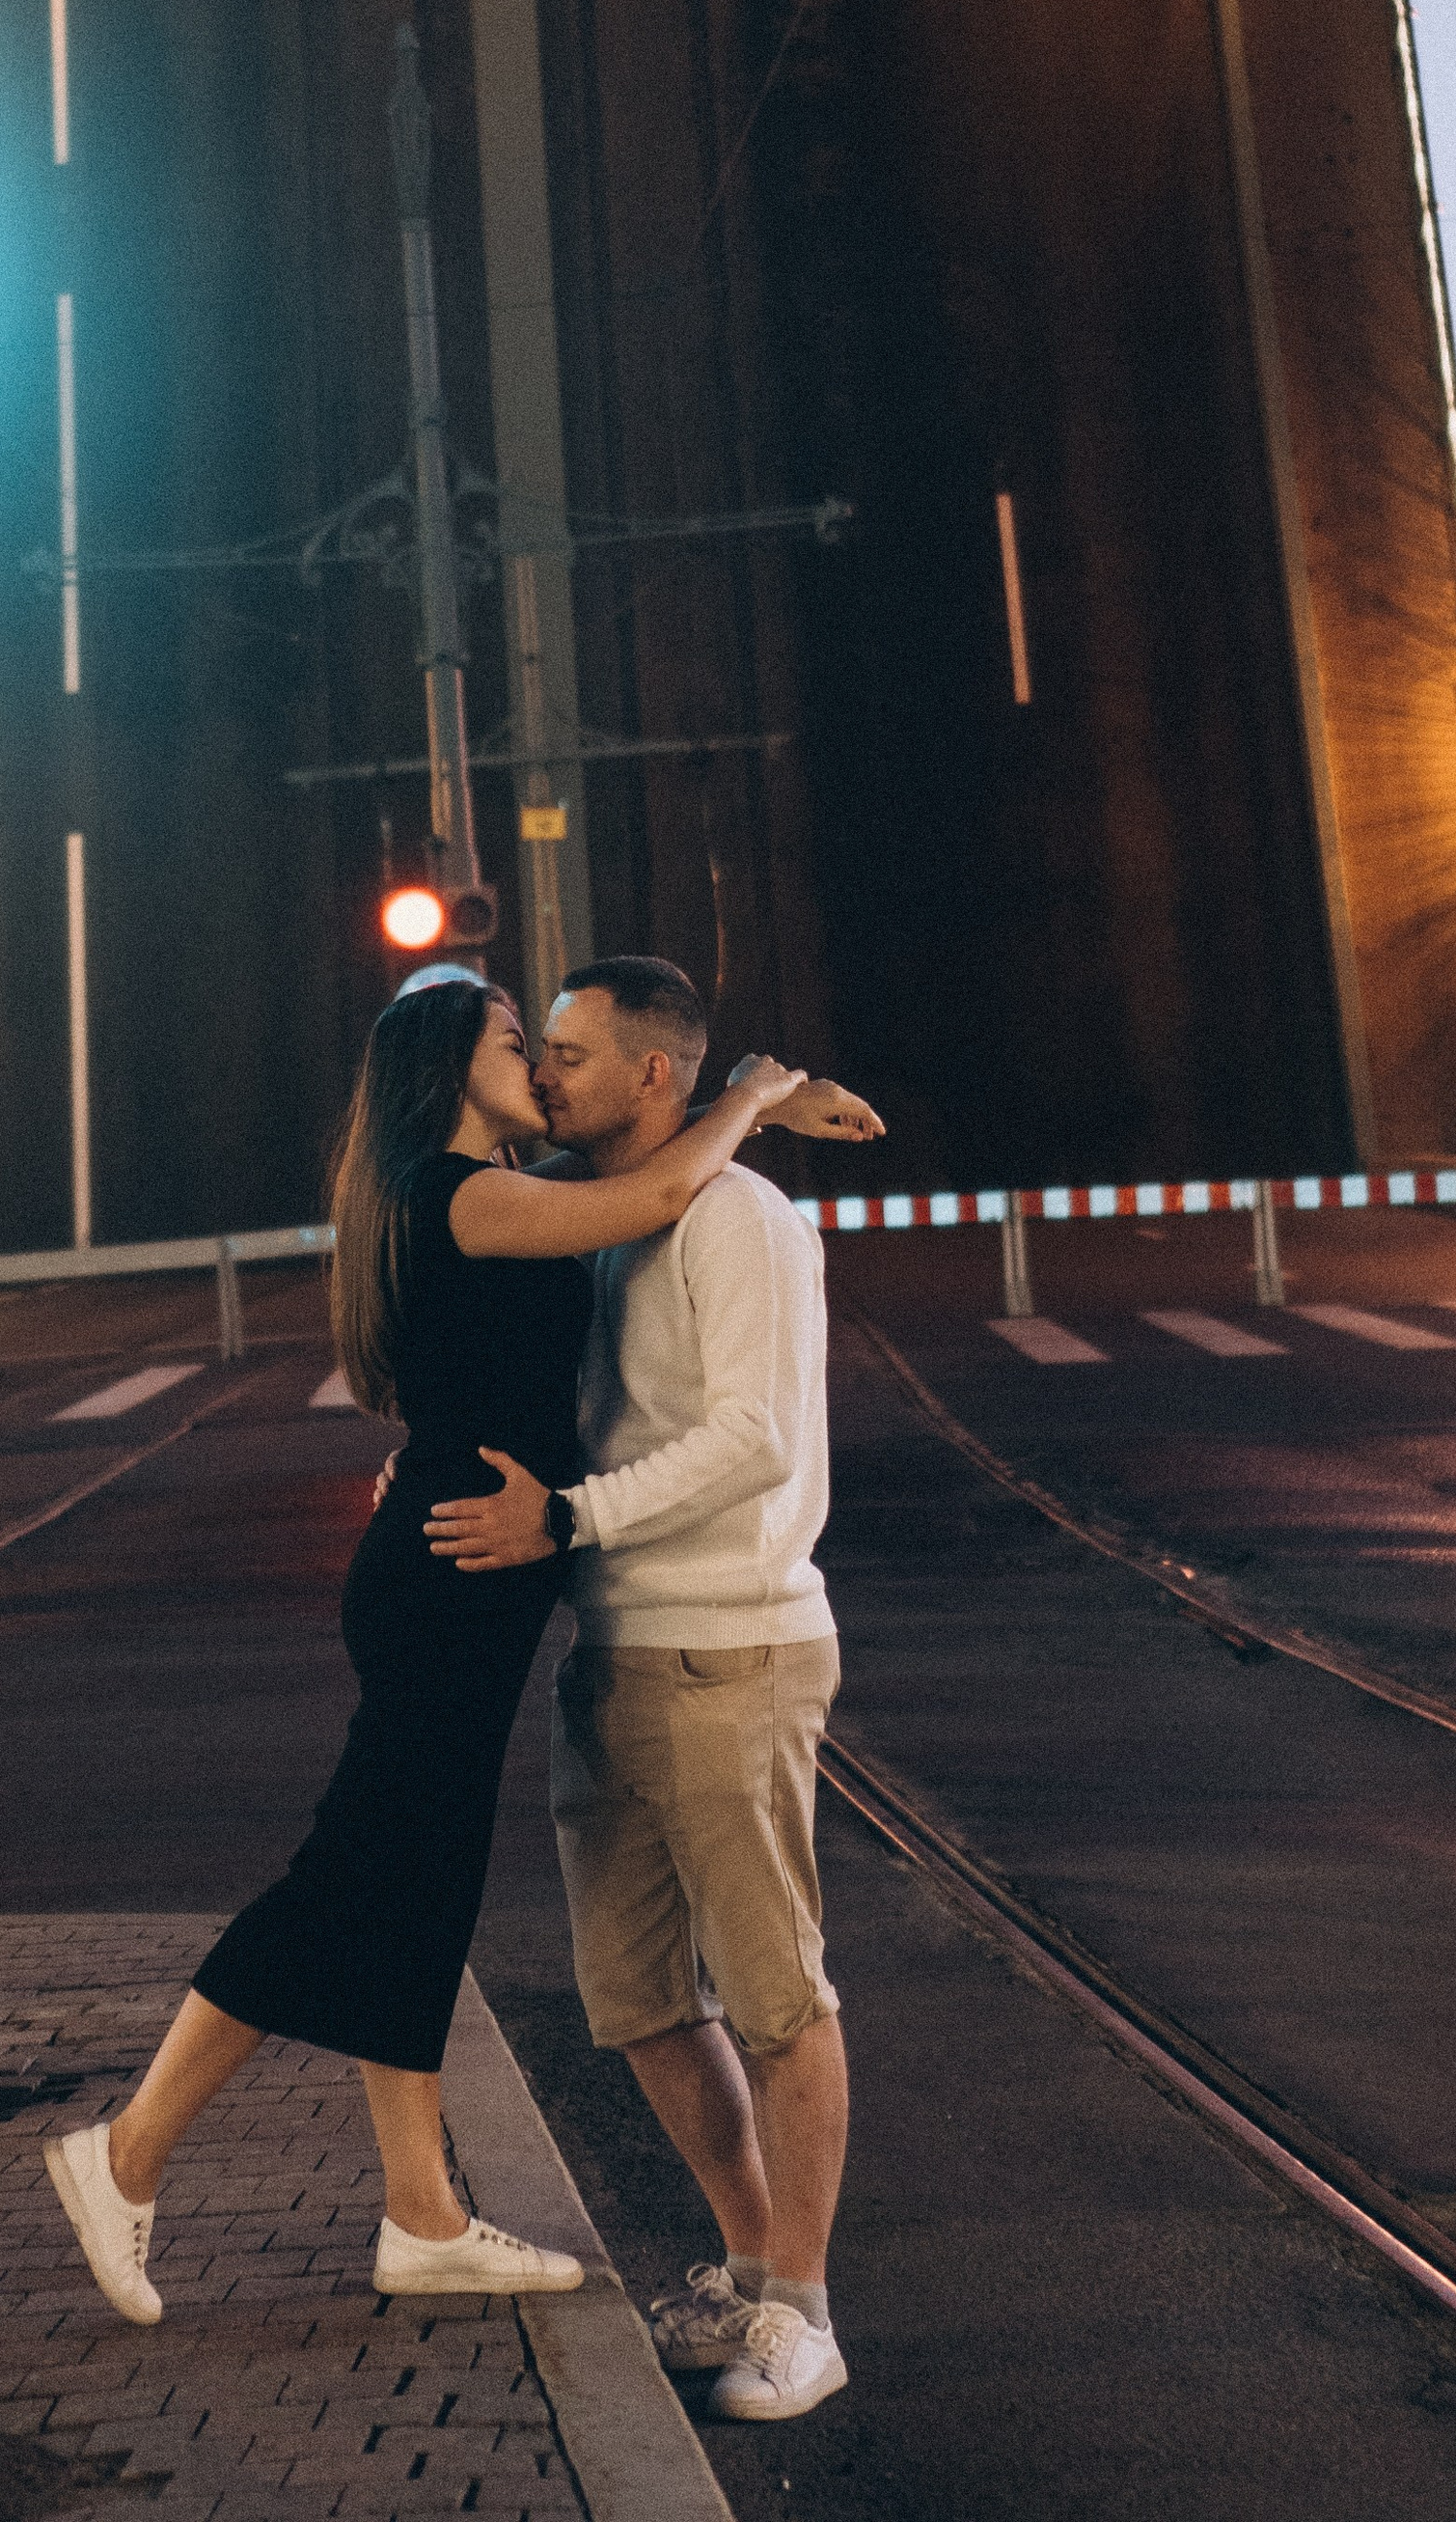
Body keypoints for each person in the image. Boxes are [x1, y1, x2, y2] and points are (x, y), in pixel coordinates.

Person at [41, 977, 815, 2325]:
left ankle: (423, 2213)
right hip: (456, 1574)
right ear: (454, 1063)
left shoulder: (471, 1183)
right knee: (350, 1873)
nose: (544, 1069)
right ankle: (125, 2154)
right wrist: (754, 1095)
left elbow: (615, 1172)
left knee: (418, 1884)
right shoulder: (462, 1192)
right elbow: (643, 1197)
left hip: (458, 1571)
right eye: (521, 1044)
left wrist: (742, 1104)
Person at [426, 956, 854, 2425]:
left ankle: (802, 2308)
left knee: (780, 1994)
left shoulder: (735, 1218)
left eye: (569, 1055)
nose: (543, 1078)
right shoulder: (613, 1213)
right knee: (637, 2002)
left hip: (730, 1644)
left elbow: (749, 1439)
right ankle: (746, 2260)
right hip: (611, 1650)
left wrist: (572, 1518)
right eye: (537, 1051)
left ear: (656, 1076)